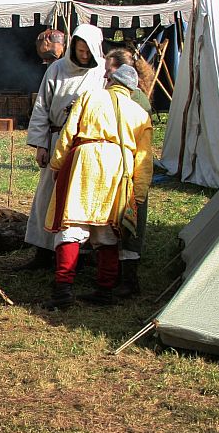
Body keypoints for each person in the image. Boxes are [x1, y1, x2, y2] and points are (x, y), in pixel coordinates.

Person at [42, 64, 153, 309]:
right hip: (119, 167)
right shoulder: (140, 114)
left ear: (112, 81)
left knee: (73, 225)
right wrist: (140, 192)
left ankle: (63, 292)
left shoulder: (91, 95)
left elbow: (69, 132)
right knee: (106, 231)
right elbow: (144, 160)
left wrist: (57, 164)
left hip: (85, 161)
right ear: (131, 89)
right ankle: (104, 291)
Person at [21, 24, 107, 270]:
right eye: (80, 50)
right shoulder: (57, 69)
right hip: (58, 140)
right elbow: (42, 108)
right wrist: (40, 144)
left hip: (88, 144)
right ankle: (43, 252)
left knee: (82, 197)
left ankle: (79, 253)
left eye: (87, 51)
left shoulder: (101, 72)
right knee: (47, 197)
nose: (83, 55)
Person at [104, 48, 153, 296]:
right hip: (117, 169)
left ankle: (129, 281)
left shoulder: (135, 102)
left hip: (130, 171)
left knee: (130, 224)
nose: (106, 79)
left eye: (110, 73)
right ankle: (112, 275)